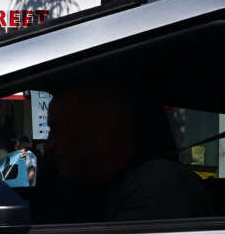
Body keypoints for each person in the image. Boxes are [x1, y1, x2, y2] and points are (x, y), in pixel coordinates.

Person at [45, 86, 212, 221]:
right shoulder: (98, 188)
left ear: (100, 134)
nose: (49, 145)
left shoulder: (156, 185)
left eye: (58, 130)